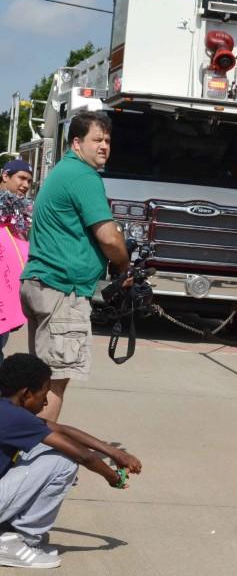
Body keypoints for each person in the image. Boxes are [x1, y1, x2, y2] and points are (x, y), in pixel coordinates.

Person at [20, 111, 131, 423]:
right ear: (77, 142)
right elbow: (109, 237)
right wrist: (124, 264)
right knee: (52, 382)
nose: (104, 146)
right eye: (97, 140)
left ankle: (20, 447)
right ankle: (35, 456)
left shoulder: (62, 171)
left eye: (108, 140)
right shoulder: (83, 177)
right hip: (61, 291)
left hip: (42, 283)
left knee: (39, 375)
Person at [0, 353, 142, 569]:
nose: (46, 401)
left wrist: (113, 452)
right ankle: (19, 541)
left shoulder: (7, 409)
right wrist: (113, 477)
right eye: (44, 395)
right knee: (62, 463)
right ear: (26, 394)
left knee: (38, 449)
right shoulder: (15, 417)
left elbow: (62, 429)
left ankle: (9, 532)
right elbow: (82, 455)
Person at [0, 160, 34, 363]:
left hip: (7, 297)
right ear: (5, 176)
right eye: (21, 178)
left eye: (29, 181)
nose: (26, 185)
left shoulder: (20, 214)